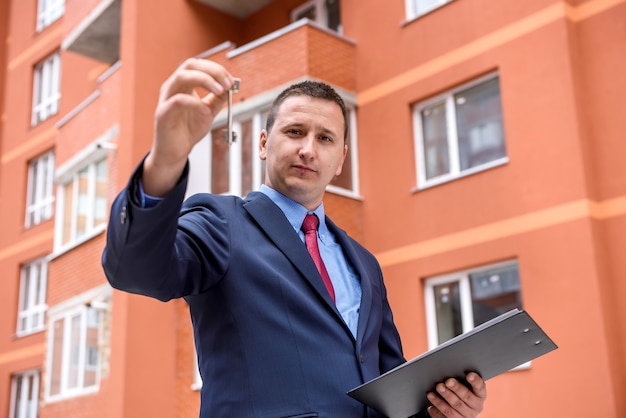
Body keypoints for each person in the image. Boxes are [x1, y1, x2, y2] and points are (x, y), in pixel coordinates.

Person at [102, 58, 487, 418]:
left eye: (325, 139)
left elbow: (388, 387)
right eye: (295, 132)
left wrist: (440, 408)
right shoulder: (220, 223)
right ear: (265, 143)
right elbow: (135, 270)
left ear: (340, 160)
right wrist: (165, 161)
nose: (308, 150)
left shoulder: (364, 262)